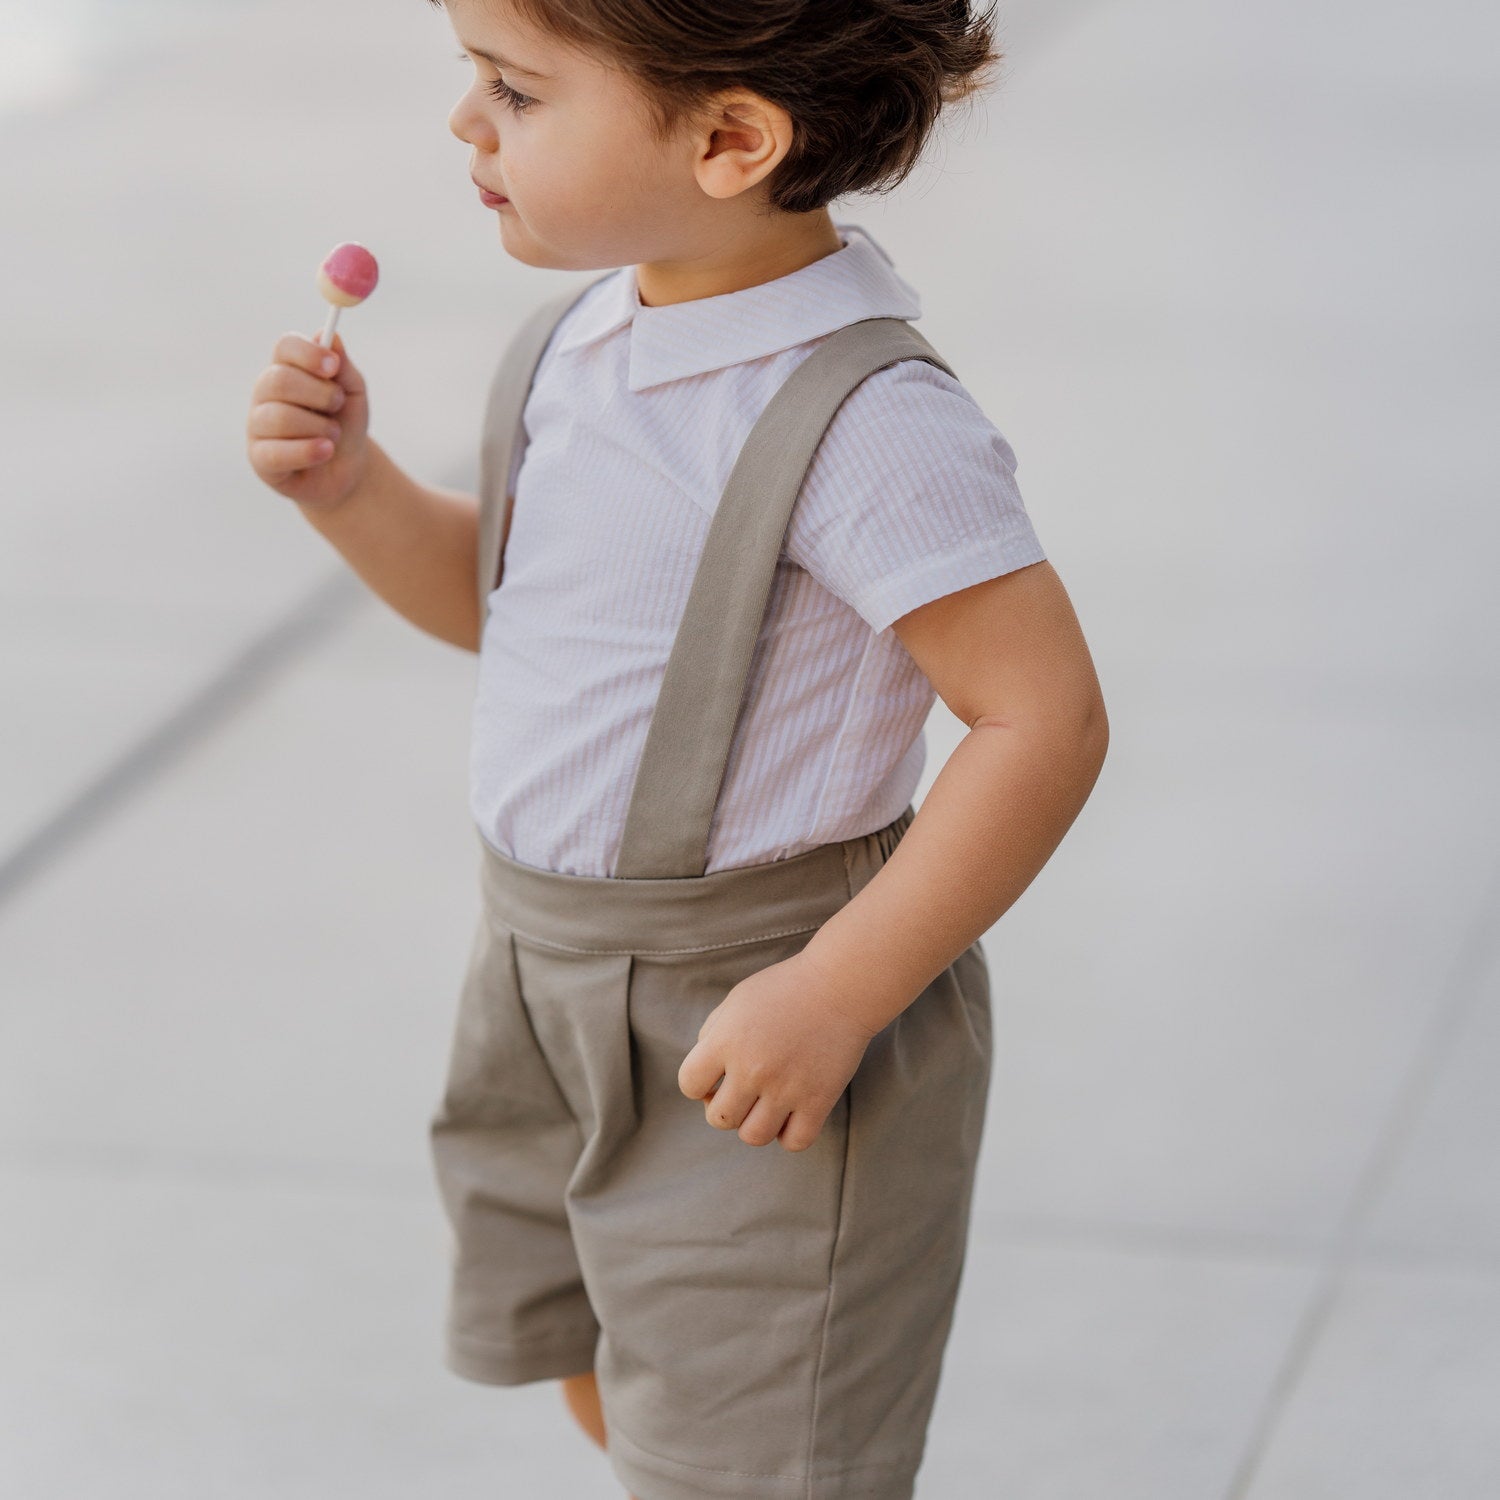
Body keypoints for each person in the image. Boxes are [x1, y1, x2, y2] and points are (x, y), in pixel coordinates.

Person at [244, 0, 1109, 1495]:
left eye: (514, 90)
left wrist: (838, 991)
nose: (465, 124)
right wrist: (353, 490)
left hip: (756, 1006)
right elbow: (505, 612)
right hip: (538, 977)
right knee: (606, 1353)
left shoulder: (868, 423)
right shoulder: (582, 335)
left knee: (756, 1431)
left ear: (728, 139)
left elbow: (1044, 720)